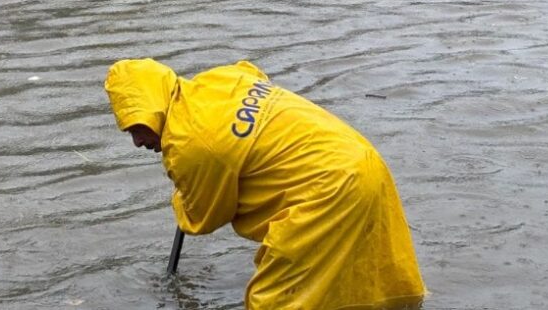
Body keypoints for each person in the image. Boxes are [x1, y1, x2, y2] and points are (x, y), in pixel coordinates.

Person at [104, 58, 426, 310]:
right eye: (129, 130)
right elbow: (253, 72)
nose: (138, 141)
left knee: (273, 300)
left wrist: (182, 190)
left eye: (138, 127)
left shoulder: (191, 144)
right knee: (372, 282)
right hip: (362, 161)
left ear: (156, 106)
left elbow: (202, 217)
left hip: (328, 192)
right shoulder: (218, 81)